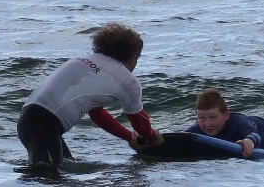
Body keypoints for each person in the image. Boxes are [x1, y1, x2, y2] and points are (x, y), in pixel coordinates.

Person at [17, 22, 163, 170]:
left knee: (61, 169)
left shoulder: (83, 60)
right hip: (45, 124)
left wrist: (129, 137)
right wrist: (152, 138)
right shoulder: (127, 80)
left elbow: (97, 114)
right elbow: (139, 120)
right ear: (133, 57)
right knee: (46, 177)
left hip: (29, 120)